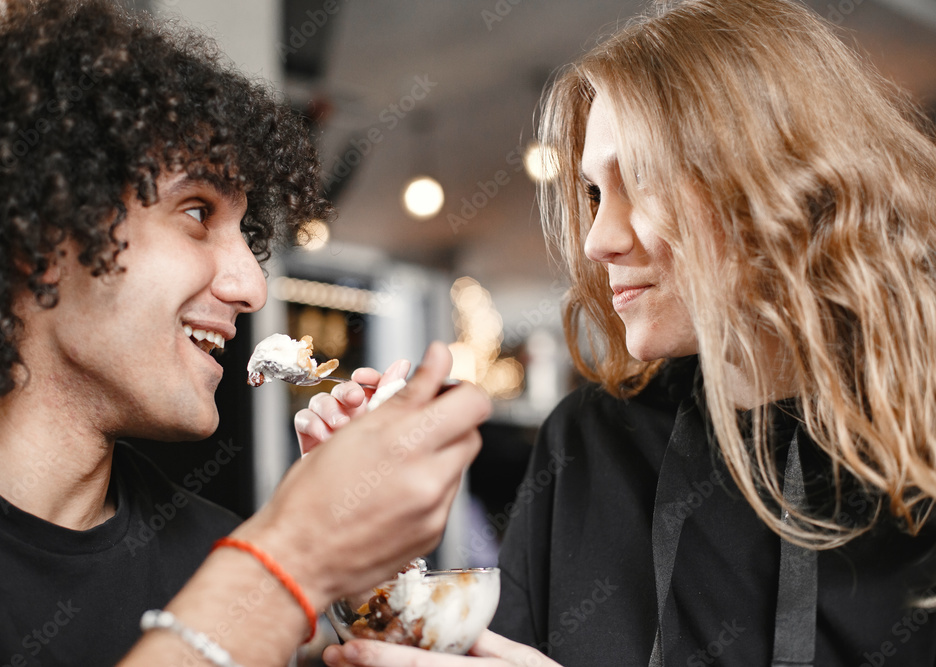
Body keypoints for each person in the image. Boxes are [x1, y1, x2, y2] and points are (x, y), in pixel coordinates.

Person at [300, 1, 936, 665]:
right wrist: (365, 555)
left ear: (776, 178)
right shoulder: (588, 443)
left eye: (645, 179)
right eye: (596, 193)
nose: (599, 238)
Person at [0, 1, 490, 665]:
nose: (252, 288)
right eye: (196, 211)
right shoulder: (252, 565)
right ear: (38, 229)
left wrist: (365, 586)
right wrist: (290, 552)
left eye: (244, 231)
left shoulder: (213, 550)